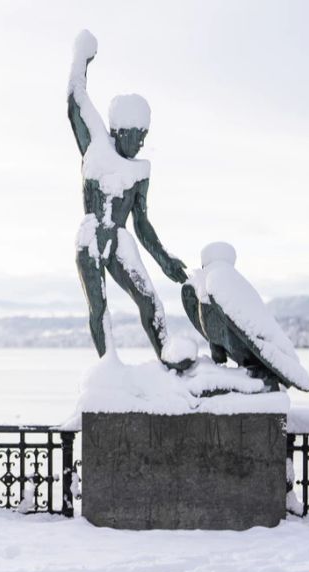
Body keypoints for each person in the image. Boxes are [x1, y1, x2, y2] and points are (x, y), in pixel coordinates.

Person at [67, 30, 192, 371]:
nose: (136, 144)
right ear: (117, 130)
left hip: (120, 238)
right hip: (92, 237)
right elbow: (75, 101)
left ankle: (168, 357)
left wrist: (165, 260)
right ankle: (110, 370)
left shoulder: (140, 172)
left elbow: (143, 223)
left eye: (142, 138)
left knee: (149, 300)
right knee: (99, 307)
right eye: (132, 136)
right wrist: (81, 59)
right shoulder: (95, 145)